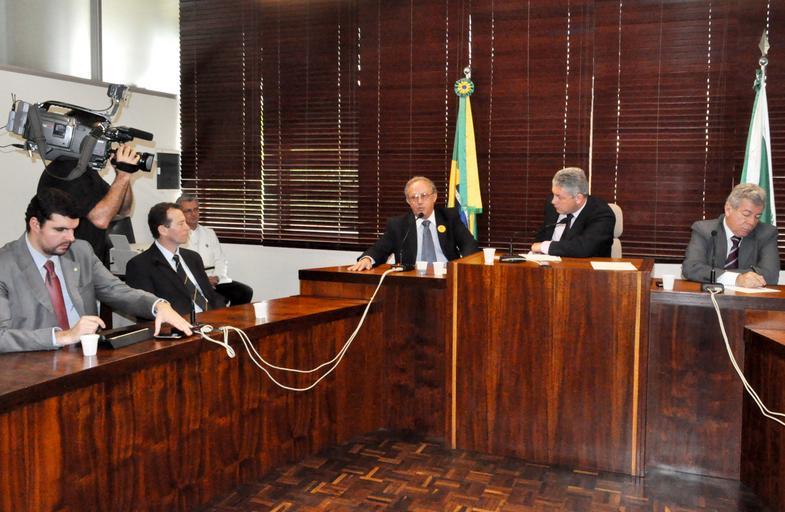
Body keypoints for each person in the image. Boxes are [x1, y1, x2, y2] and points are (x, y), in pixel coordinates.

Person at [0, 189, 192, 353]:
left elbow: (116, 290)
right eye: (61, 230)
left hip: (87, 357)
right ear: (35, 224)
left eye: (73, 229)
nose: (71, 238)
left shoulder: (80, 251)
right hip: (32, 366)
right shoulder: (5, 265)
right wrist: (62, 336)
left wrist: (158, 305)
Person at [37, 144, 140, 266]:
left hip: (91, 260)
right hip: (67, 262)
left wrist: (122, 173)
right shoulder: (66, 170)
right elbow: (101, 219)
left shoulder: (87, 172)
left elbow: (123, 209)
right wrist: (123, 174)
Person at [348, 176, 479, 271]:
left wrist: (464, 267)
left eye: (424, 196)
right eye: (414, 197)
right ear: (408, 201)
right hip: (412, 280)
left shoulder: (449, 217)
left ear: (434, 197)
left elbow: (469, 244)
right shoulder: (399, 225)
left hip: (447, 276)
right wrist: (367, 259)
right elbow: (380, 248)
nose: (419, 202)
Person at [125, 203, 226, 315]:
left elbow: (210, 295)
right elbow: (146, 310)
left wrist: (224, 314)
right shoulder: (140, 265)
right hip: (178, 323)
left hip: (212, 318)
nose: (187, 228)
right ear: (163, 230)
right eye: (181, 224)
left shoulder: (193, 257)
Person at [682, 183, 779, 288]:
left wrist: (717, 274)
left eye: (757, 216)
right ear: (728, 209)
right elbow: (691, 268)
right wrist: (736, 279)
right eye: (746, 214)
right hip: (709, 296)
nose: (752, 222)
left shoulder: (766, 233)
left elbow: (771, 275)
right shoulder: (705, 230)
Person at [176, 194, 254, 305]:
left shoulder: (209, 233)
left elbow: (221, 260)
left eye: (196, 209)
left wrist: (217, 277)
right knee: (217, 301)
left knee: (245, 292)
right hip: (193, 283)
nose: (193, 214)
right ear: (180, 213)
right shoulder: (176, 236)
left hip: (215, 280)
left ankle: (232, 317)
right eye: (188, 211)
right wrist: (203, 280)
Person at [530, 167, 615, 258]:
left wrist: (544, 247)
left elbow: (584, 248)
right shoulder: (553, 206)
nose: (553, 201)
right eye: (553, 194)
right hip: (548, 264)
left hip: (583, 265)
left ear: (578, 198)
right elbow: (541, 237)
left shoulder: (602, 214)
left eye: (559, 197)